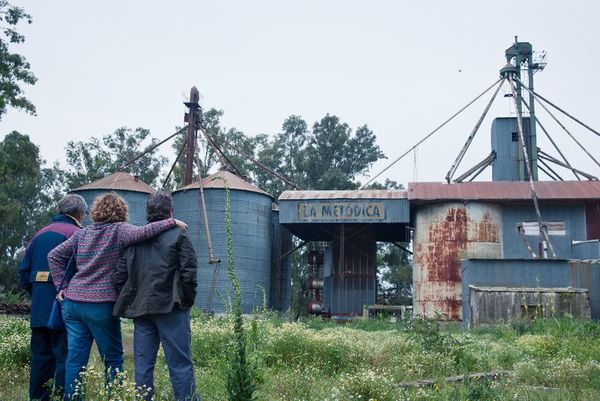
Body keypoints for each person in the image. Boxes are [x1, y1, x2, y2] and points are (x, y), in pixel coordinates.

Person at [48, 192, 188, 400]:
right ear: (121, 211)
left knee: (75, 360)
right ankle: (114, 397)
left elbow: (54, 255)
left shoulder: (83, 233)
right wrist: (173, 221)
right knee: (112, 358)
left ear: (95, 210)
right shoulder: (119, 230)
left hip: (73, 304)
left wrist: (62, 286)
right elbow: (145, 231)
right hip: (99, 304)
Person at [113, 190, 199, 401]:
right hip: (171, 308)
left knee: (143, 364)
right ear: (170, 210)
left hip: (142, 309)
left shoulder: (135, 238)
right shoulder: (179, 234)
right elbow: (189, 272)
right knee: (179, 363)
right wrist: (186, 301)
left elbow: (119, 276)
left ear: (147, 212)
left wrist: (131, 298)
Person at [18, 194, 88, 401]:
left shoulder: (39, 234)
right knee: (66, 357)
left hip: (40, 308)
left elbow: (23, 273)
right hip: (65, 308)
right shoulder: (78, 234)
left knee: (40, 358)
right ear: (80, 213)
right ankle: (62, 395)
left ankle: (38, 397)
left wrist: (38, 294)